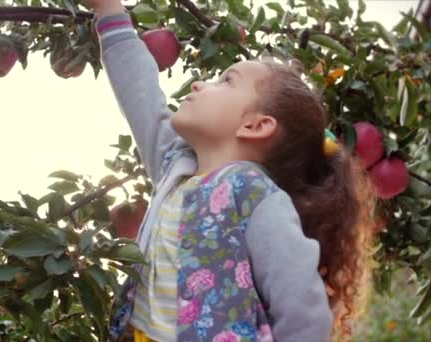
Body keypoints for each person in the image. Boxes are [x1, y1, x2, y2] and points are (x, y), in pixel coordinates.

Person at [86, 1, 377, 341]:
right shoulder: (174, 167)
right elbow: (140, 94)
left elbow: (303, 312)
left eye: (225, 81)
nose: (198, 85)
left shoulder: (256, 196)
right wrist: (107, 9)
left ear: (256, 125)